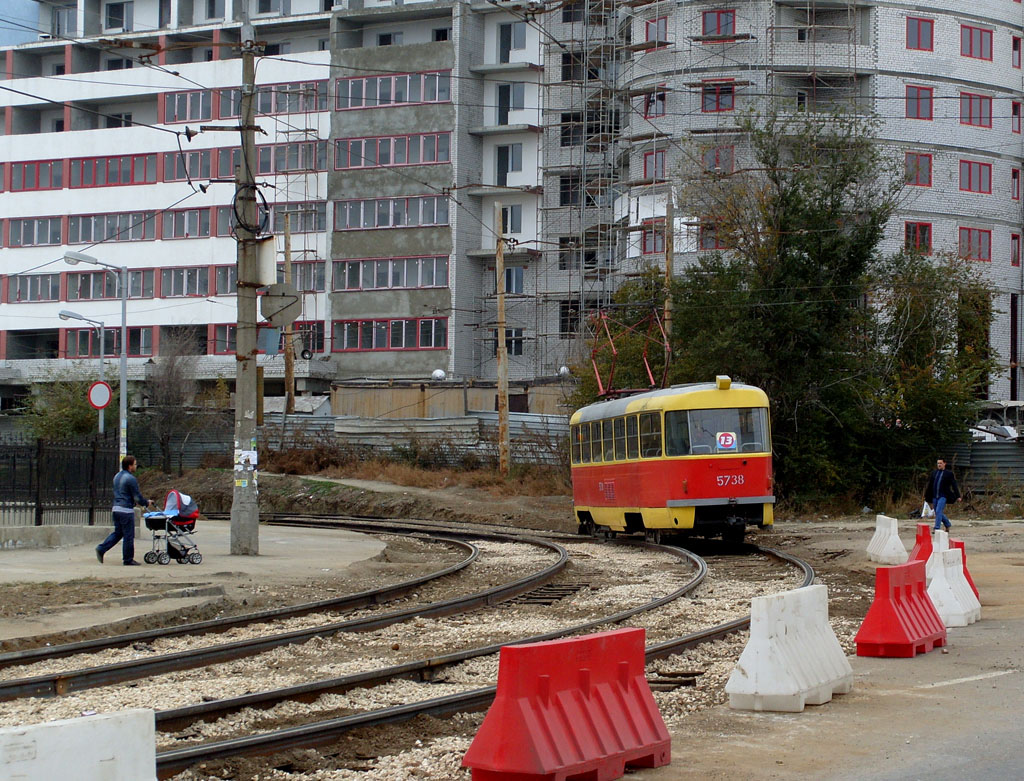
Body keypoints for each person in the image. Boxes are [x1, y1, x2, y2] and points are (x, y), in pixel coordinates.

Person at [96, 455, 153, 566]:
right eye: (135, 464)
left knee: (118, 533)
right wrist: (146, 503)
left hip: (116, 508)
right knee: (128, 535)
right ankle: (128, 559)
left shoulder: (117, 476)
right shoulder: (130, 479)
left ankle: (101, 549)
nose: (136, 466)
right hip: (126, 510)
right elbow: (137, 496)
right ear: (129, 466)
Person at [924, 458, 960, 533]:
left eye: (940, 463)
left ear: (944, 464)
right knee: (937, 512)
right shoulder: (934, 473)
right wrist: (927, 496)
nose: (939, 465)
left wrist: (958, 496)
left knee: (939, 510)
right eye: (938, 463)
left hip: (943, 496)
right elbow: (930, 485)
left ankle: (936, 528)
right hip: (934, 496)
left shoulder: (948, 474)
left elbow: (954, 485)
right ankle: (947, 524)